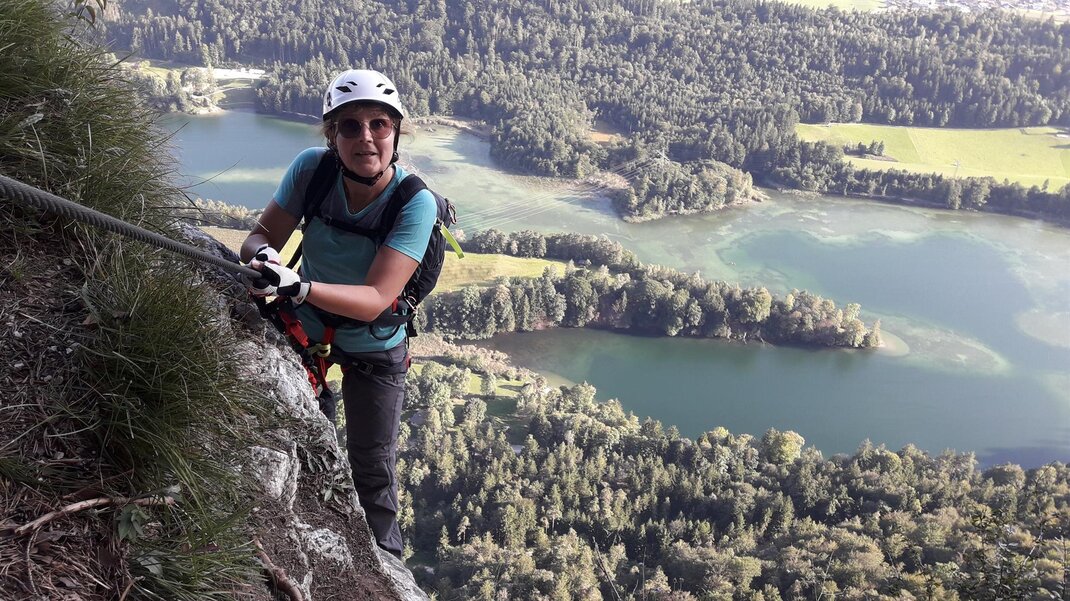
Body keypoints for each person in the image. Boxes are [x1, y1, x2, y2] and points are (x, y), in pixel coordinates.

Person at [240, 69, 437, 558]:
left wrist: (300, 286)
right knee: (308, 435)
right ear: (332, 135)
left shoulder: (414, 203)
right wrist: (264, 259)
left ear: (396, 132)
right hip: (303, 331)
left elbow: (376, 297)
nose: (366, 136)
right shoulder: (313, 170)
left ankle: (387, 568)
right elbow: (258, 238)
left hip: (375, 344)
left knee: (372, 465)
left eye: (379, 124)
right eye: (350, 125)